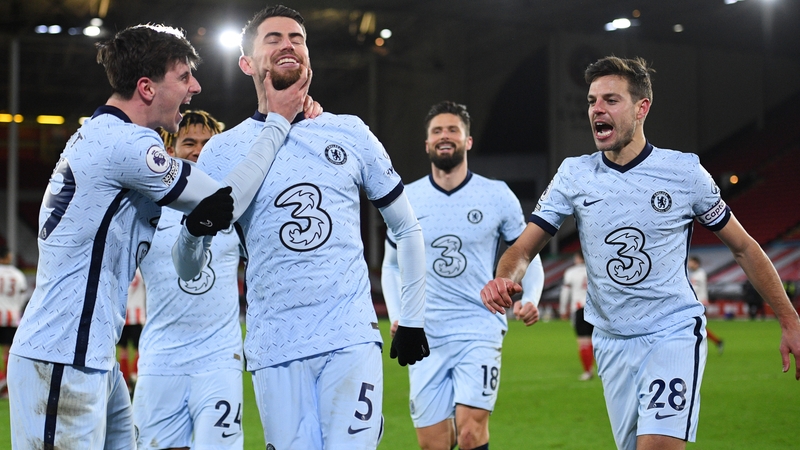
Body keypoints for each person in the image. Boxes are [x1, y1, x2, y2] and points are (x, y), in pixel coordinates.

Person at [7, 23, 310, 448]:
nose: (196, 87)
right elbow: (224, 202)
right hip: (62, 355)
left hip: (90, 355)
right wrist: (276, 123)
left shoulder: (100, 135)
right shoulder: (128, 146)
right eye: (184, 77)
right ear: (147, 88)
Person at [480, 56, 800, 450]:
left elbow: (744, 248)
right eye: (592, 101)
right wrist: (505, 278)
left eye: (611, 100)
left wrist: (789, 318)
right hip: (611, 340)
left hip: (672, 331)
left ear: (641, 108)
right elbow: (523, 249)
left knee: (657, 446)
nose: (597, 108)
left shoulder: (683, 172)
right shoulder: (573, 174)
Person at [173, 6, 430, 450]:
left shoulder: (350, 132)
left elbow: (407, 228)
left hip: (349, 335)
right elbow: (187, 267)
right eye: (272, 38)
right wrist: (194, 232)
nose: (287, 43)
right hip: (275, 344)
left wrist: (413, 318)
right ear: (247, 63)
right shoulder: (223, 151)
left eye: (296, 37)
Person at [381, 100, 544, 450]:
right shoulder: (406, 198)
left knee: (470, 433)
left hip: (478, 328)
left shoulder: (496, 194)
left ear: (468, 140)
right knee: (433, 444)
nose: (445, 136)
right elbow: (391, 265)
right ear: (427, 144)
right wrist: (398, 316)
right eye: (437, 131)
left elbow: (527, 253)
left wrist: (530, 298)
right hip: (424, 334)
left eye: (453, 130)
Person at [131, 109, 250, 449]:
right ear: (169, 151)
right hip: (160, 360)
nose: (199, 151)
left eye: (208, 144)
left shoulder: (236, 209)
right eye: (189, 143)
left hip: (219, 358)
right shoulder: (146, 210)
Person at [559, 251, 594, 381]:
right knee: (596, 340)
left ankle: (588, 371)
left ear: (577, 258)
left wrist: (563, 309)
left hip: (580, 308)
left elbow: (565, 293)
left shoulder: (571, 272)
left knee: (583, 341)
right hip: (595, 309)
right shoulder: (594, 270)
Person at [0, 245, 28, 396]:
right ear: (7, 257)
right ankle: (7, 385)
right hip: (11, 316)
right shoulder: (18, 275)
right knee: (8, 350)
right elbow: (22, 296)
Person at [118, 268, 146, 394]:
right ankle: (134, 376)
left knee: (123, 350)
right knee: (136, 349)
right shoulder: (142, 271)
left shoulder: (121, 270)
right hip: (137, 315)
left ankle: (125, 381)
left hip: (123, 315)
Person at [688, 256, 724, 354]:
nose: (689, 264)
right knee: (697, 326)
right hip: (697, 303)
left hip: (700, 303)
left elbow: (695, 289)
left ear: (696, 263)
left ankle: (699, 347)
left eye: (691, 262)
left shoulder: (700, 274)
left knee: (695, 326)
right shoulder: (696, 274)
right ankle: (717, 341)